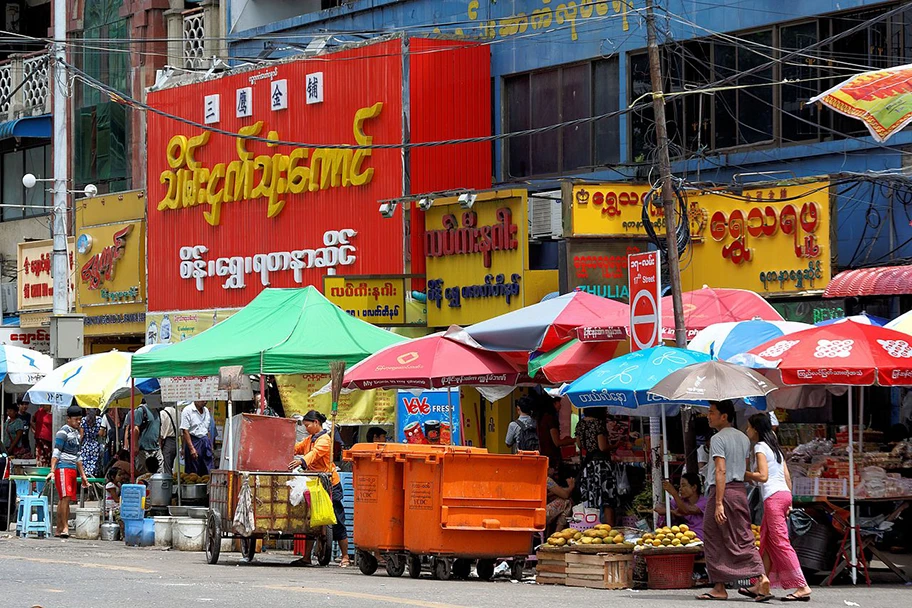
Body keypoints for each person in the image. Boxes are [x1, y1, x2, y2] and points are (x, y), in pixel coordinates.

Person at [697, 401, 770, 602]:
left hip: (722, 491)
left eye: (712, 413)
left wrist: (719, 502)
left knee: (713, 536)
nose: (708, 416)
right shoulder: (744, 438)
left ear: (724, 416)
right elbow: (744, 470)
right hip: (739, 491)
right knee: (743, 535)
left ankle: (719, 587)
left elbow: (720, 470)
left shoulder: (718, 439)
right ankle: (761, 576)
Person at [744, 413, 811, 602]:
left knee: (781, 542)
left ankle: (802, 585)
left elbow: (763, 476)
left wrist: (744, 474)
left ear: (755, 429)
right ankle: (760, 583)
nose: (746, 430)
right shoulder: (776, 449)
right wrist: (789, 502)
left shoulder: (759, 447)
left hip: (773, 498)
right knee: (766, 540)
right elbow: (787, 477)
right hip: (783, 495)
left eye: (749, 427)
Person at [288, 410, 350, 567]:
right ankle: (306, 557)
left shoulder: (324, 440)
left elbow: (314, 455)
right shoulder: (309, 439)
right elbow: (296, 448)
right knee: (312, 520)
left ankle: (345, 556)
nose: (306, 428)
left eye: (308, 425)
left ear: (316, 423)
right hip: (315, 483)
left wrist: (302, 461)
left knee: (336, 518)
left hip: (330, 484)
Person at [47, 405, 90, 538]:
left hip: (72, 469)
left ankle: (60, 528)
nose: (78, 422)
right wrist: (52, 470)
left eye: (80, 420)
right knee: (64, 498)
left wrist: (83, 475)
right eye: (76, 419)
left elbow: (78, 456)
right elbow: (56, 452)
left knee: (65, 499)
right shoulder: (63, 432)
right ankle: (64, 527)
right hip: (63, 467)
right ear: (68, 419)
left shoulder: (77, 433)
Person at [575, 408, 617, 525]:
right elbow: (602, 447)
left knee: (590, 496)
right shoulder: (598, 424)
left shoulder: (580, 424)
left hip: (588, 465)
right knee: (607, 497)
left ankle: (591, 526)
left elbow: (579, 444)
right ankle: (609, 528)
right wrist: (615, 445)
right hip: (601, 465)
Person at [656, 473, 708, 541]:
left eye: (683, 485)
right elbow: (658, 508)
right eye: (680, 486)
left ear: (694, 487)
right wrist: (672, 511)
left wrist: (674, 493)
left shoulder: (704, 502)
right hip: (683, 539)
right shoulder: (681, 500)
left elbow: (686, 510)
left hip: (700, 539)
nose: (680, 489)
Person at [538, 396, 575, 469]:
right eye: (559, 403)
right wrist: (574, 440)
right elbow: (557, 442)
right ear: (554, 403)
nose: (560, 405)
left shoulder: (542, 418)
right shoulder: (550, 419)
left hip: (544, 455)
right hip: (552, 458)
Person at [181, 400, 214, 477]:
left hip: (205, 441)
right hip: (193, 441)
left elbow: (207, 430)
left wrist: (210, 446)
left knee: (207, 469)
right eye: (203, 399)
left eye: (206, 399)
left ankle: (206, 488)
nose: (205, 401)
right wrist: (191, 448)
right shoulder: (188, 410)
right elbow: (185, 431)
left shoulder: (206, 411)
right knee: (193, 471)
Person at [129, 401, 163, 475]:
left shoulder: (158, 411)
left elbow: (158, 428)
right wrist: (135, 446)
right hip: (143, 450)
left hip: (156, 448)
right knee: (142, 473)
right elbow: (135, 429)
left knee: (159, 472)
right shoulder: (141, 410)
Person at [546, 466, 575, 533]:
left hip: (525, 514)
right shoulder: (546, 479)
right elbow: (565, 495)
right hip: (539, 516)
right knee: (567, 502)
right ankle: (557, 534)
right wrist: (571, 487)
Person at [80, 409, 105, 478]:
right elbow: (101, 433)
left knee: (85, 463)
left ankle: (85, 477)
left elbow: (81, 436)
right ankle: (93, 478)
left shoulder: (83, 420)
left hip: (85, 445)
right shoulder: (100, 420)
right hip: (95, 445)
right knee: (94, 463)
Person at [159, 403, 179, 477]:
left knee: (166, 467)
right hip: (176, 441)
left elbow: (162, 432)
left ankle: (168, 485)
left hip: (167, 441)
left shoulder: (163, 413)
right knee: (171, 465)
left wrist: (160, 446)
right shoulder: (178, 413)